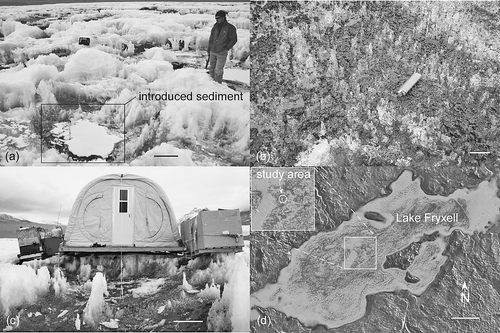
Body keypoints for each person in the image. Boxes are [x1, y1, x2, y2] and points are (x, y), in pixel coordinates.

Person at [208, 10, 237, 83]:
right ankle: (211, 84)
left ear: (223, 18)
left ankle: (217, 85)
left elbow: (233, 40)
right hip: (213, 50)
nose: (217, 20)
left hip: (221, 52)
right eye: (216, 18)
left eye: (218, 18)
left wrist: (226, 48)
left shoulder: (230, 28)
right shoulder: (215, 26)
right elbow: (211, 38)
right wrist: (209, 48)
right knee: (212, 68)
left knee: (218, 70)